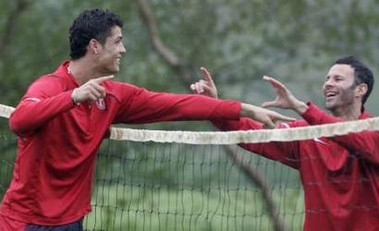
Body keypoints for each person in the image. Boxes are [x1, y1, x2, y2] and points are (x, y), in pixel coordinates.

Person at [0, 9, 294, 231]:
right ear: (94, 46)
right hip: (24, 221)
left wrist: (246, 109)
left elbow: (177, 105)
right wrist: (73, 98)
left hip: (72, 221)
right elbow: (19, 121)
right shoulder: (48, 87)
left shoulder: (114, 95)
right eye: (118, 42)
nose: (123, 50)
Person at [191, 56, 379, 231]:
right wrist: (215, 106)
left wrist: (301, 108)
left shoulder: (374, 132)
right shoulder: (306, 132)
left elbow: (351, 137)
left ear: (360, 90)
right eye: (327, 78)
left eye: (338, 79)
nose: (328, 83)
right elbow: (251, 134)